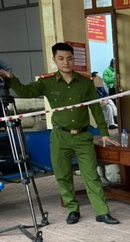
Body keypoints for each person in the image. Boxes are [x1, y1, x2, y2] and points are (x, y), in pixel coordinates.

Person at [0, 43, 120, 225]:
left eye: (70, 58)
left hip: (82, 136)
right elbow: (26, 91)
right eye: (61, 58)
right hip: (60, 136)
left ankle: (102, 211)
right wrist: (11, 79)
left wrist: (104, 132)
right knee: (62, 174)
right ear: (54, 60)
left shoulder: (86, 82)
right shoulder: (46, 82)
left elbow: (95, 108)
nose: (66, 62)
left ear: (74, 60)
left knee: (91, 175)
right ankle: (73, 209)